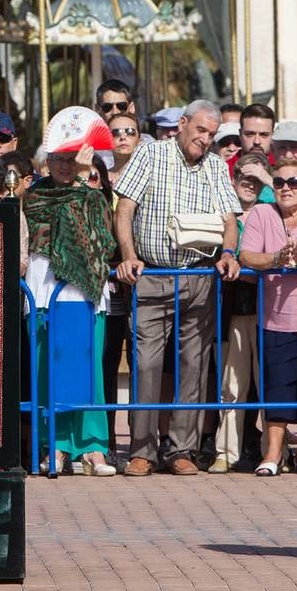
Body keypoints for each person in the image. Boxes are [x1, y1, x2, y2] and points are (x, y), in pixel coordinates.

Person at [112, 100, 242, 476]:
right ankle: (142, 450)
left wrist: (229, 252)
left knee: (194, 364)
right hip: (151, 274)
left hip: (199, 275)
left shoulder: (216, 166)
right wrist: (129, 255)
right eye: (200, 130)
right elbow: (125, 209)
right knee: (146, 363)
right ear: (182, 124)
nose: (205, 140)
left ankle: (182, 449)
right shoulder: (150, 155)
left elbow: (229, 219)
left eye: (212, 135)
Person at [24, 129, 117, 476]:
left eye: (72, 159)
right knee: (48, 368)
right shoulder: (33, 195)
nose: (65, 166)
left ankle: (93, 447)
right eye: (59, 159)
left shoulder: (92, 195)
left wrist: (83, 183)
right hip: (46, 290)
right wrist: (79, 188)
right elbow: (47, 228)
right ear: (47, 162)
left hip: (85, 293)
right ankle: (57, 445)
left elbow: (101, 236)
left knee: (88, 367)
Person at [240, 157, 297, 476]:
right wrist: (274, 258)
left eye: (294, 182)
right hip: (276, 315)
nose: (286, 188)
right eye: (279, 182)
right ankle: (274, 452)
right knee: (276, 385)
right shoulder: (262, 213)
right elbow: (246, 254)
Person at [213, 152, 269, 473]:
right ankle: (226, 451)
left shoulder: (271, 211)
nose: (249, 185)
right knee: (232, 383)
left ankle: (273, 451)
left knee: (266, 382)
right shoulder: (225, 213)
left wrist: (266, 182)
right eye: (243, 178)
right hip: (233, 307)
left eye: (257, 180)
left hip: (267, 308)